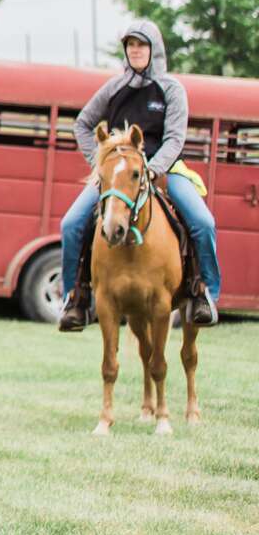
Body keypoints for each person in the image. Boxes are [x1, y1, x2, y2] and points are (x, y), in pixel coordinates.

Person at [58, 19, 221, 331]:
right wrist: (101, 163)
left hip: (164, 169)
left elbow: (175, 138)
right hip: (117, 176)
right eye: (130, 45)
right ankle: (76, 299)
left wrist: (152, 168)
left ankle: (205, 295)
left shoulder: (172, 89)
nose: (135, 50)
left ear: (154, 49)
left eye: (141, 44)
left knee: (203, 222)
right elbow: (82, 124)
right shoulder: (113, 88)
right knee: (71, 224)